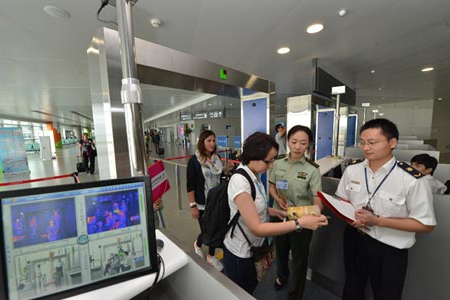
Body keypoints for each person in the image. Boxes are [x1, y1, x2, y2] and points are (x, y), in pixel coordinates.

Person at [335, 118, 436, 300]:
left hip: (389, 247)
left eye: (372, 142)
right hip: (354, 238)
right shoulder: (353, 170)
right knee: (352, 288)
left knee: (387, 294)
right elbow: (342, 199)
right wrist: (348, 216)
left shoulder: (411, 179)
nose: (366, 148)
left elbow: (425, 225)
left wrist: (377, 221)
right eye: (363, 142)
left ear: (392, 143)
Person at [223, 132, 328, 295]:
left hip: (253, 247)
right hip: (241, 251)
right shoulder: (240, 181)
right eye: (269, 161)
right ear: (254, 156)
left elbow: (253, 207)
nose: (272, 166)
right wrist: (299, 223)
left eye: (273, 160)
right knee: (242, 292)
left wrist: (273, 211)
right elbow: (256, 228)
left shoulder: (254, 176)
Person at [268, 125, 323, 299]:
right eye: (294, 142)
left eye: (303, 143)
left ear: (309, 145)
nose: (298, 147)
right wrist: (277, 199)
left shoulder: (312, 169)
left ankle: (295, 294)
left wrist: (316, 211)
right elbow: (271, 185)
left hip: (302, 218)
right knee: (281, 251)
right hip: (279, 215)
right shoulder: (277, 162)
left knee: (299, 259)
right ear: (287, 141)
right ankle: (282, 276)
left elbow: (317, 197)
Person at [186, 129, 234, 271]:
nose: (212, 143)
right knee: (208, 230)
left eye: (213, 140)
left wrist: (227, 169)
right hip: (202, 203)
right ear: (202, 142)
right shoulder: (194, 161)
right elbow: (190, 186)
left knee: (216, 228)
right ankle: (198, 244)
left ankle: (210, 256)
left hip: (217, 201)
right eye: (209, 141)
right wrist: (193, 205)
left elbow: (218, 175)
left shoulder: (216, 159)